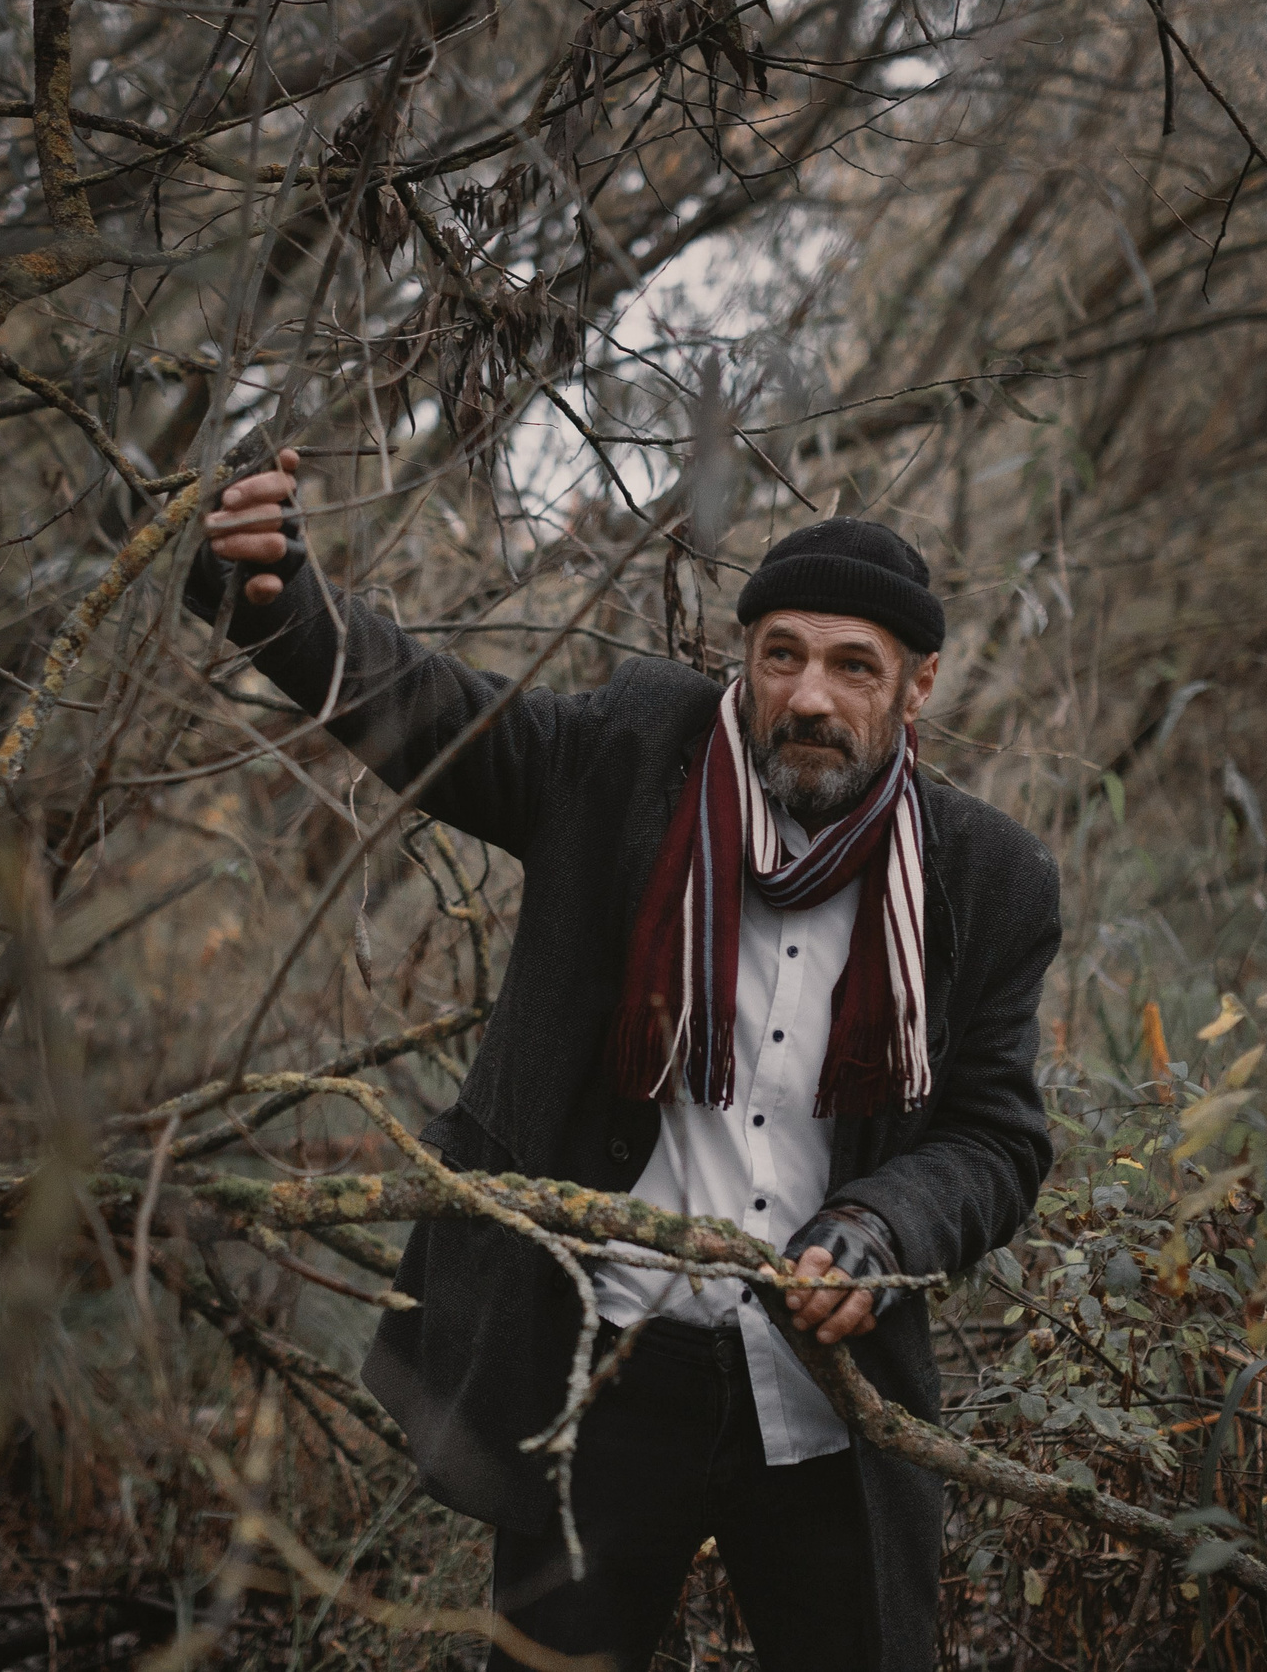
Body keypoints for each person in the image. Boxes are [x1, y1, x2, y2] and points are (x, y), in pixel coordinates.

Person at [191, 450, 1061, 1672]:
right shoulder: (624, 756)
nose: (809, 697)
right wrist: (274, 592)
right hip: (601, 1364)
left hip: (822, 1397)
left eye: (852, 665)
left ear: (915, 686)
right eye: (781, 656)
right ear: (742, 662)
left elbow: (995, 1135)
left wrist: (883, 1227)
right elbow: (432, 713)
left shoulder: (989, 878)